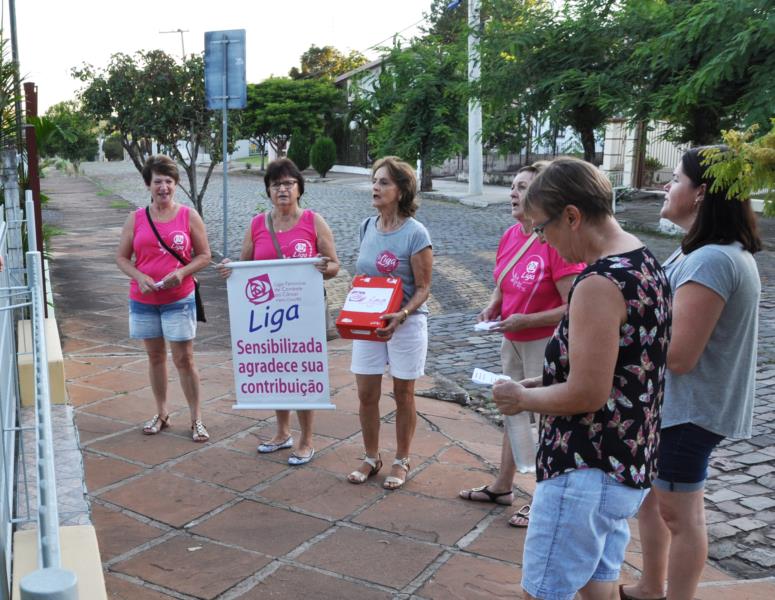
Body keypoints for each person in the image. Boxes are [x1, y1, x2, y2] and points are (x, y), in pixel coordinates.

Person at [492, 157, 671, 600]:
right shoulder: (643, 258)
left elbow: (588, 392)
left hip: (584, 466)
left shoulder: (597, 283)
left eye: (543, 228)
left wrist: (520, 398)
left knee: (546, 591)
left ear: (572, 216)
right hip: (626, 461)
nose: (542, 240)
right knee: (599, 585)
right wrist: (539, 383)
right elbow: (621, 368)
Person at [620, 147, 761, 600]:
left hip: (688, 410)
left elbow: (680, 355)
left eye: (676, 178)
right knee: (652, 502)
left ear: (700, 193)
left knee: (681, 517)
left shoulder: (712, 259)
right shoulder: (702, 252)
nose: (666, 185)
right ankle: (648, 586)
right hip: (677, 406)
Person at [459, 162, 585, 527]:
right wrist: (493, 304)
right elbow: (503, 277)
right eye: (512, 186)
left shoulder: (555, 242)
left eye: (523, 187)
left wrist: (526, 320)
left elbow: (573, 306)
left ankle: (544, 498)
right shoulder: (512, 235)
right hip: (511, 339)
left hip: (544, 344)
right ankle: (503, 486)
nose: (514, 193)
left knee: (548, 422)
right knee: (510, 409)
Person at [217, 158, 339, 465]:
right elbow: (243, 266)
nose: (282, 189)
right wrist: (229, 269)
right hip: (268, 315)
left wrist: (325, 267)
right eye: (276, 185)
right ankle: (282, 432)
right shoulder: (258, 224)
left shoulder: (314, 221)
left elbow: (334, 265)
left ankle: (307, 439)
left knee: (303, 372)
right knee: (277, 370)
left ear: (299, 188)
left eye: (288, 183)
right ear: (268, 191)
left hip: (304, 314)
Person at [347, 156, 433, 490]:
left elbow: (424, 287)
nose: (376, 187)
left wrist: (403, 315)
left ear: (401, 190)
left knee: (403, 393)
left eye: (384, 182)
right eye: (374, 181)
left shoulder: (416, 233)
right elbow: (362, 274)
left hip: (406, 324)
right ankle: (371, 457)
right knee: (366, 393)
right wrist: (355, 298)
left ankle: (401, 459)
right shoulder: (366, 226)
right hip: (369, 325)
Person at [116, 155, 212, 442]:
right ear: (148, 184)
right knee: (155, 357)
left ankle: (197, 419)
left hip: (179, 299)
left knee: (184, 359)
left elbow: (205, 255)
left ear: (176, 184)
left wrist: (182, 273)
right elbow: (121, 257)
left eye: (169, 181)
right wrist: (139, 276)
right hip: (144, 300)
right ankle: (162, 413)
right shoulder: (136, 218)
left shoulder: (188, 216)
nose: (164, 187)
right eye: (158, 181)